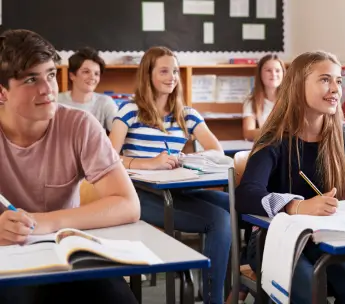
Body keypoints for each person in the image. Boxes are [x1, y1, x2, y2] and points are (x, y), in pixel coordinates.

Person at [0, 29, 140, 304]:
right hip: (7, 256)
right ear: (1, 92)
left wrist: (45, 222)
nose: (48, 89)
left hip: (66, 251)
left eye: (50, 75)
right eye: (31, 79)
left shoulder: (79, 125)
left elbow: (128, 204)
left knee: (119, 299)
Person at [109, 46, 231, 304]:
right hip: (137, 194)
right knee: (218, 220)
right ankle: (213, 299)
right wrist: (148, 163)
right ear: (148, 75)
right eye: (164, 71)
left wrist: (187, 159)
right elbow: (106, 160)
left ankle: (234, 284)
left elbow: (216, 151)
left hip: (176, 190)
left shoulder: (187, 114)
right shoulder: (129, 110)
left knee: (234, 206)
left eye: (175, 71)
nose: (172, 76)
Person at [235, 50, 345, 304]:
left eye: (338, 81)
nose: (335, 88)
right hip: (274, 240)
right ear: (297, 85)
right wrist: (297, 206)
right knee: (310, 294)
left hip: (328, 237)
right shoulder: (275, 139)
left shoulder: (343, 136)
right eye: (325, 79)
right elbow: (246, 195)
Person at [58, 47, 117, 133]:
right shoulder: (57, 102)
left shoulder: (105, 102)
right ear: (72, 76)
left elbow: (118, 134)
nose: (92, 77)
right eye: (86, 72)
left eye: (96, 73)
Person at [242, 54, 285, 141]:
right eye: (268, 70)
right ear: (260, 74)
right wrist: (275, 131)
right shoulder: (251, 101)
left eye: (277, 70)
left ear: (283, 73)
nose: (273, 74)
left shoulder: (292, 100)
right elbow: (248, 133)